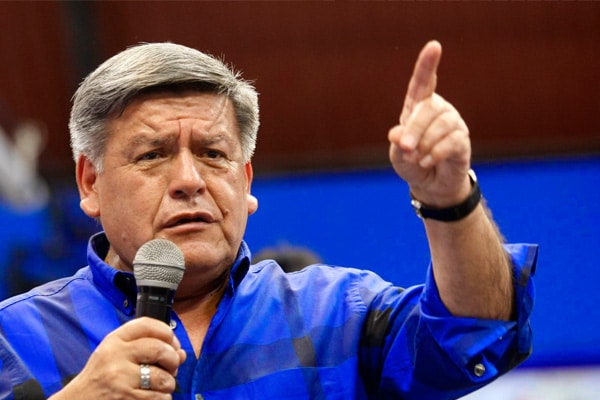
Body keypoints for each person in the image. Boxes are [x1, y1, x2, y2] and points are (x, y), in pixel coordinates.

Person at [0, 41, 536, 400]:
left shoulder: (337, 316)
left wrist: (449, 198)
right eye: (153, 155)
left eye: (213, 153)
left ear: (246, 181)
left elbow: (476, 332)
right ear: (90, 183)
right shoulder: (14, 340)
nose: (189, 179)